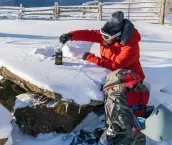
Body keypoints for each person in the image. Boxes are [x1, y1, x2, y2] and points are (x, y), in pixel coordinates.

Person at [59, 11, 149, 145]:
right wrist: (71, 35)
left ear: (118, 36)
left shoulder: (131, 46)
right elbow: (89, 34)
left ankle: (119, 130)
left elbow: (116, 65)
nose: (103, 39)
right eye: (103, 35)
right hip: (113, 74)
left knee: (117, 96)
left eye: (107, 37)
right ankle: (113, 124)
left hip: (131, 76)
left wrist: (90, 57)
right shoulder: (106, 36)